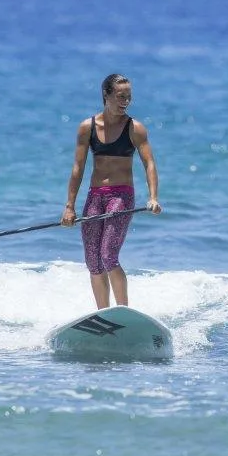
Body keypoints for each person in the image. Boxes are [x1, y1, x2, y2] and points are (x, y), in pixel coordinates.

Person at [61, 73, 162, 309]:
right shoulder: (87, 127)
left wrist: (153, 197)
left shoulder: (135, 128)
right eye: (120, 96)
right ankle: (104, 315)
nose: (125, 101)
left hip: (121, 196)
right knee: (93, 261)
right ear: (106, 95)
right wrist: (69, 207)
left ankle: (123, 311)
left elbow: (149, 163)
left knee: (108, 256)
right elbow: (78, 167)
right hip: (95, 196)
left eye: (128, 96)